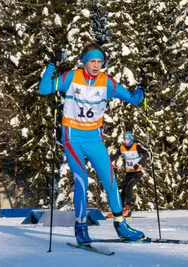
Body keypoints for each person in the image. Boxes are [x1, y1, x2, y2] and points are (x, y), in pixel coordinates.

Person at [38, 42, 149, 245]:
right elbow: (44, 89)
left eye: (100, 61)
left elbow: (133, 100)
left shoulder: (107, 83)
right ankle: (80, 227)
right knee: (81, 179)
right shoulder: (72, 77)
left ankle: (121, 225)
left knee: (111, 181)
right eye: (92, 61)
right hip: (72, 137)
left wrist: (142, 87)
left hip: (94, 138)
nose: (96, 65)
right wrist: (51, 66)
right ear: (84, 62)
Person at [106, 131, 147, 218]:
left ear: (131, 139)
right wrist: (106, 160)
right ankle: (118, 211)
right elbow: (116, 156)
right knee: (123, 190)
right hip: (129, 172)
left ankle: (128, 209)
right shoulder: (122, 147)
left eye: (127, 139)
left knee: (128, 188)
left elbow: (146, 154)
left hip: (138, 172)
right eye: (124, 139)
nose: (125, 141)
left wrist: (139, 164)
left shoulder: (136, 146)